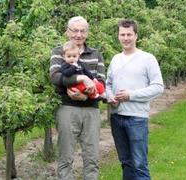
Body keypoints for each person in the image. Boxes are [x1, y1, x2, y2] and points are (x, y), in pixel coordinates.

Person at [106, 19, 164, 180]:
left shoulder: (147, 59)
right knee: (126, 162)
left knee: (139, 164)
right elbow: (108, 84)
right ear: (118, 36)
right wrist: (110, 97)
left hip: (137, 118)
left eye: (129, 34)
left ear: (136, 35)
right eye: (122, 34)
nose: (126, 38)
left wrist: (131, 95)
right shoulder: (115, 59)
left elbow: (158, 86)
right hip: (117, 117)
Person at [50, 16, 105, 180]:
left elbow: (101, 82)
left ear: (87, 33)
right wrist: (81, 79)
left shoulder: (96, 54)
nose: (79, 35)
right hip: (67, 109)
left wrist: (84, 96)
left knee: (92, 156)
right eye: (75, 30)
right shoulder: (59, 51)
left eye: (82, 31)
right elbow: (55, 77)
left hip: (91, 109)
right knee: (65, 155)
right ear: (68, 32)